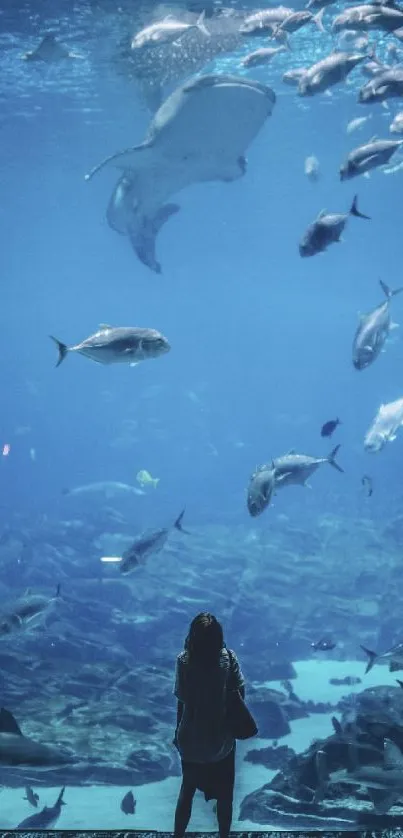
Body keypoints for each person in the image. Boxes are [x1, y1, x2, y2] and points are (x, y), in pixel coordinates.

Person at [173, 612, 245, 838]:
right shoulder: (229, 658)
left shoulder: (183, 660)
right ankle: (223, 835)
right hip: (220, 738)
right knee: (225, 796)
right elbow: (240, 693)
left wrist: (178, 734)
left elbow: (181, 701)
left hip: (191, 737)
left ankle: (178, 836)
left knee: (186, 791)